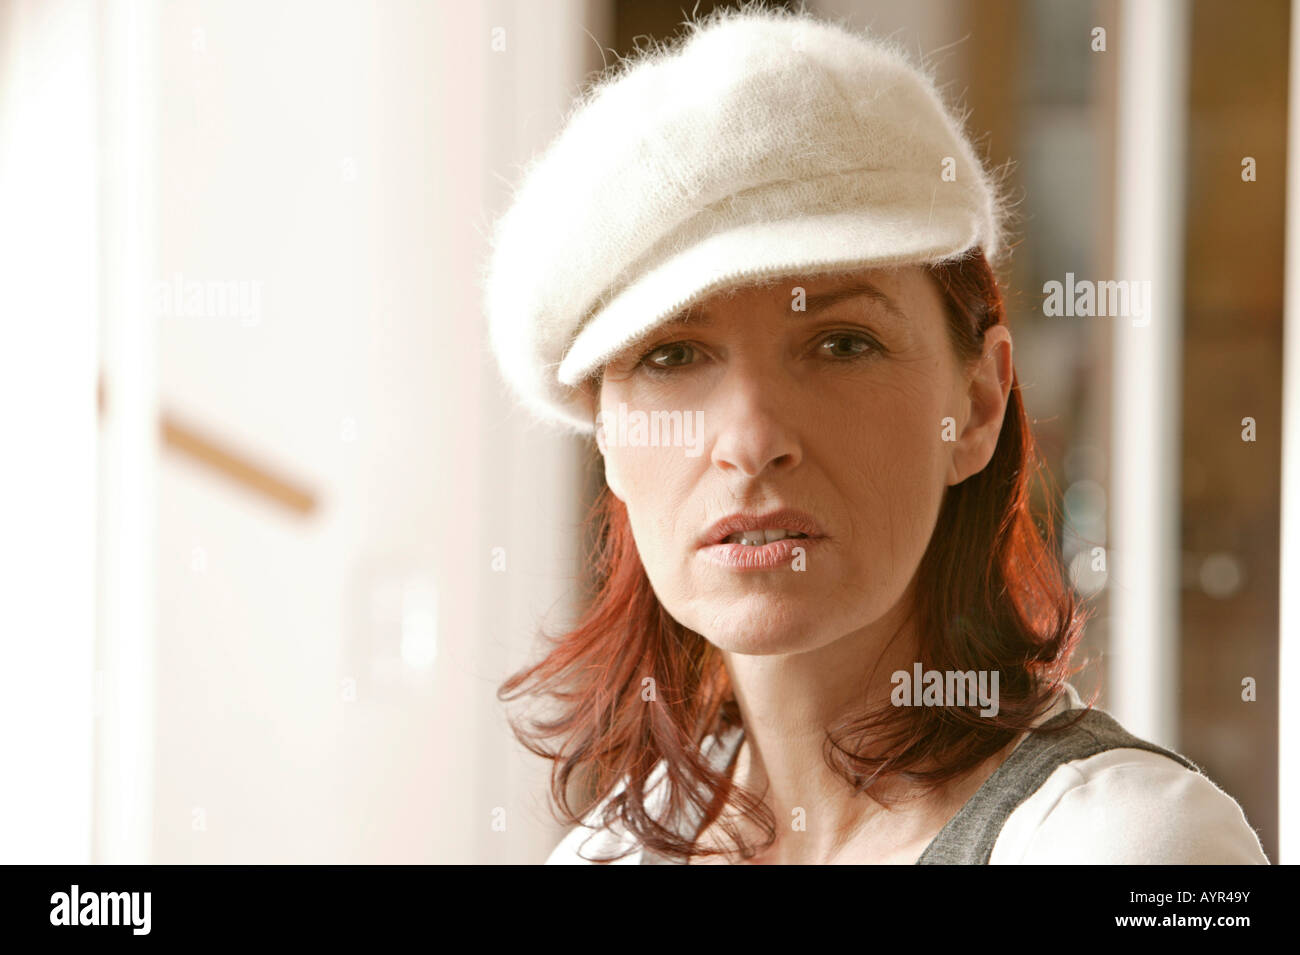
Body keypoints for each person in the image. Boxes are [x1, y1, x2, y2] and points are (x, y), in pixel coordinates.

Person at [481, 3, 1269, 864]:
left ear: (976, 403)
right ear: (609, 437)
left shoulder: (1132, 847)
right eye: (673, 354)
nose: (750, 439)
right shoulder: (609, 853)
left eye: (841, 343)